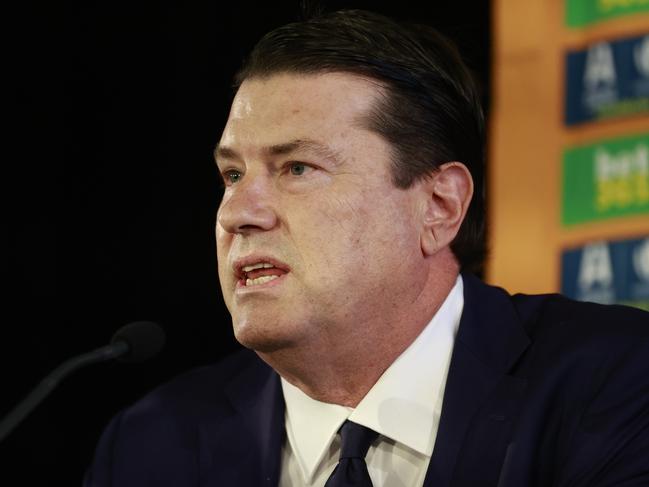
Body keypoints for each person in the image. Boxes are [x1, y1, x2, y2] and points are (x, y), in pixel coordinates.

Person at [84, 9, 649, 487]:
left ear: (439, 206)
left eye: (297, 167)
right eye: (232, 175)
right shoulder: (149, 446)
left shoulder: (617, 386)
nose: (237, 214)